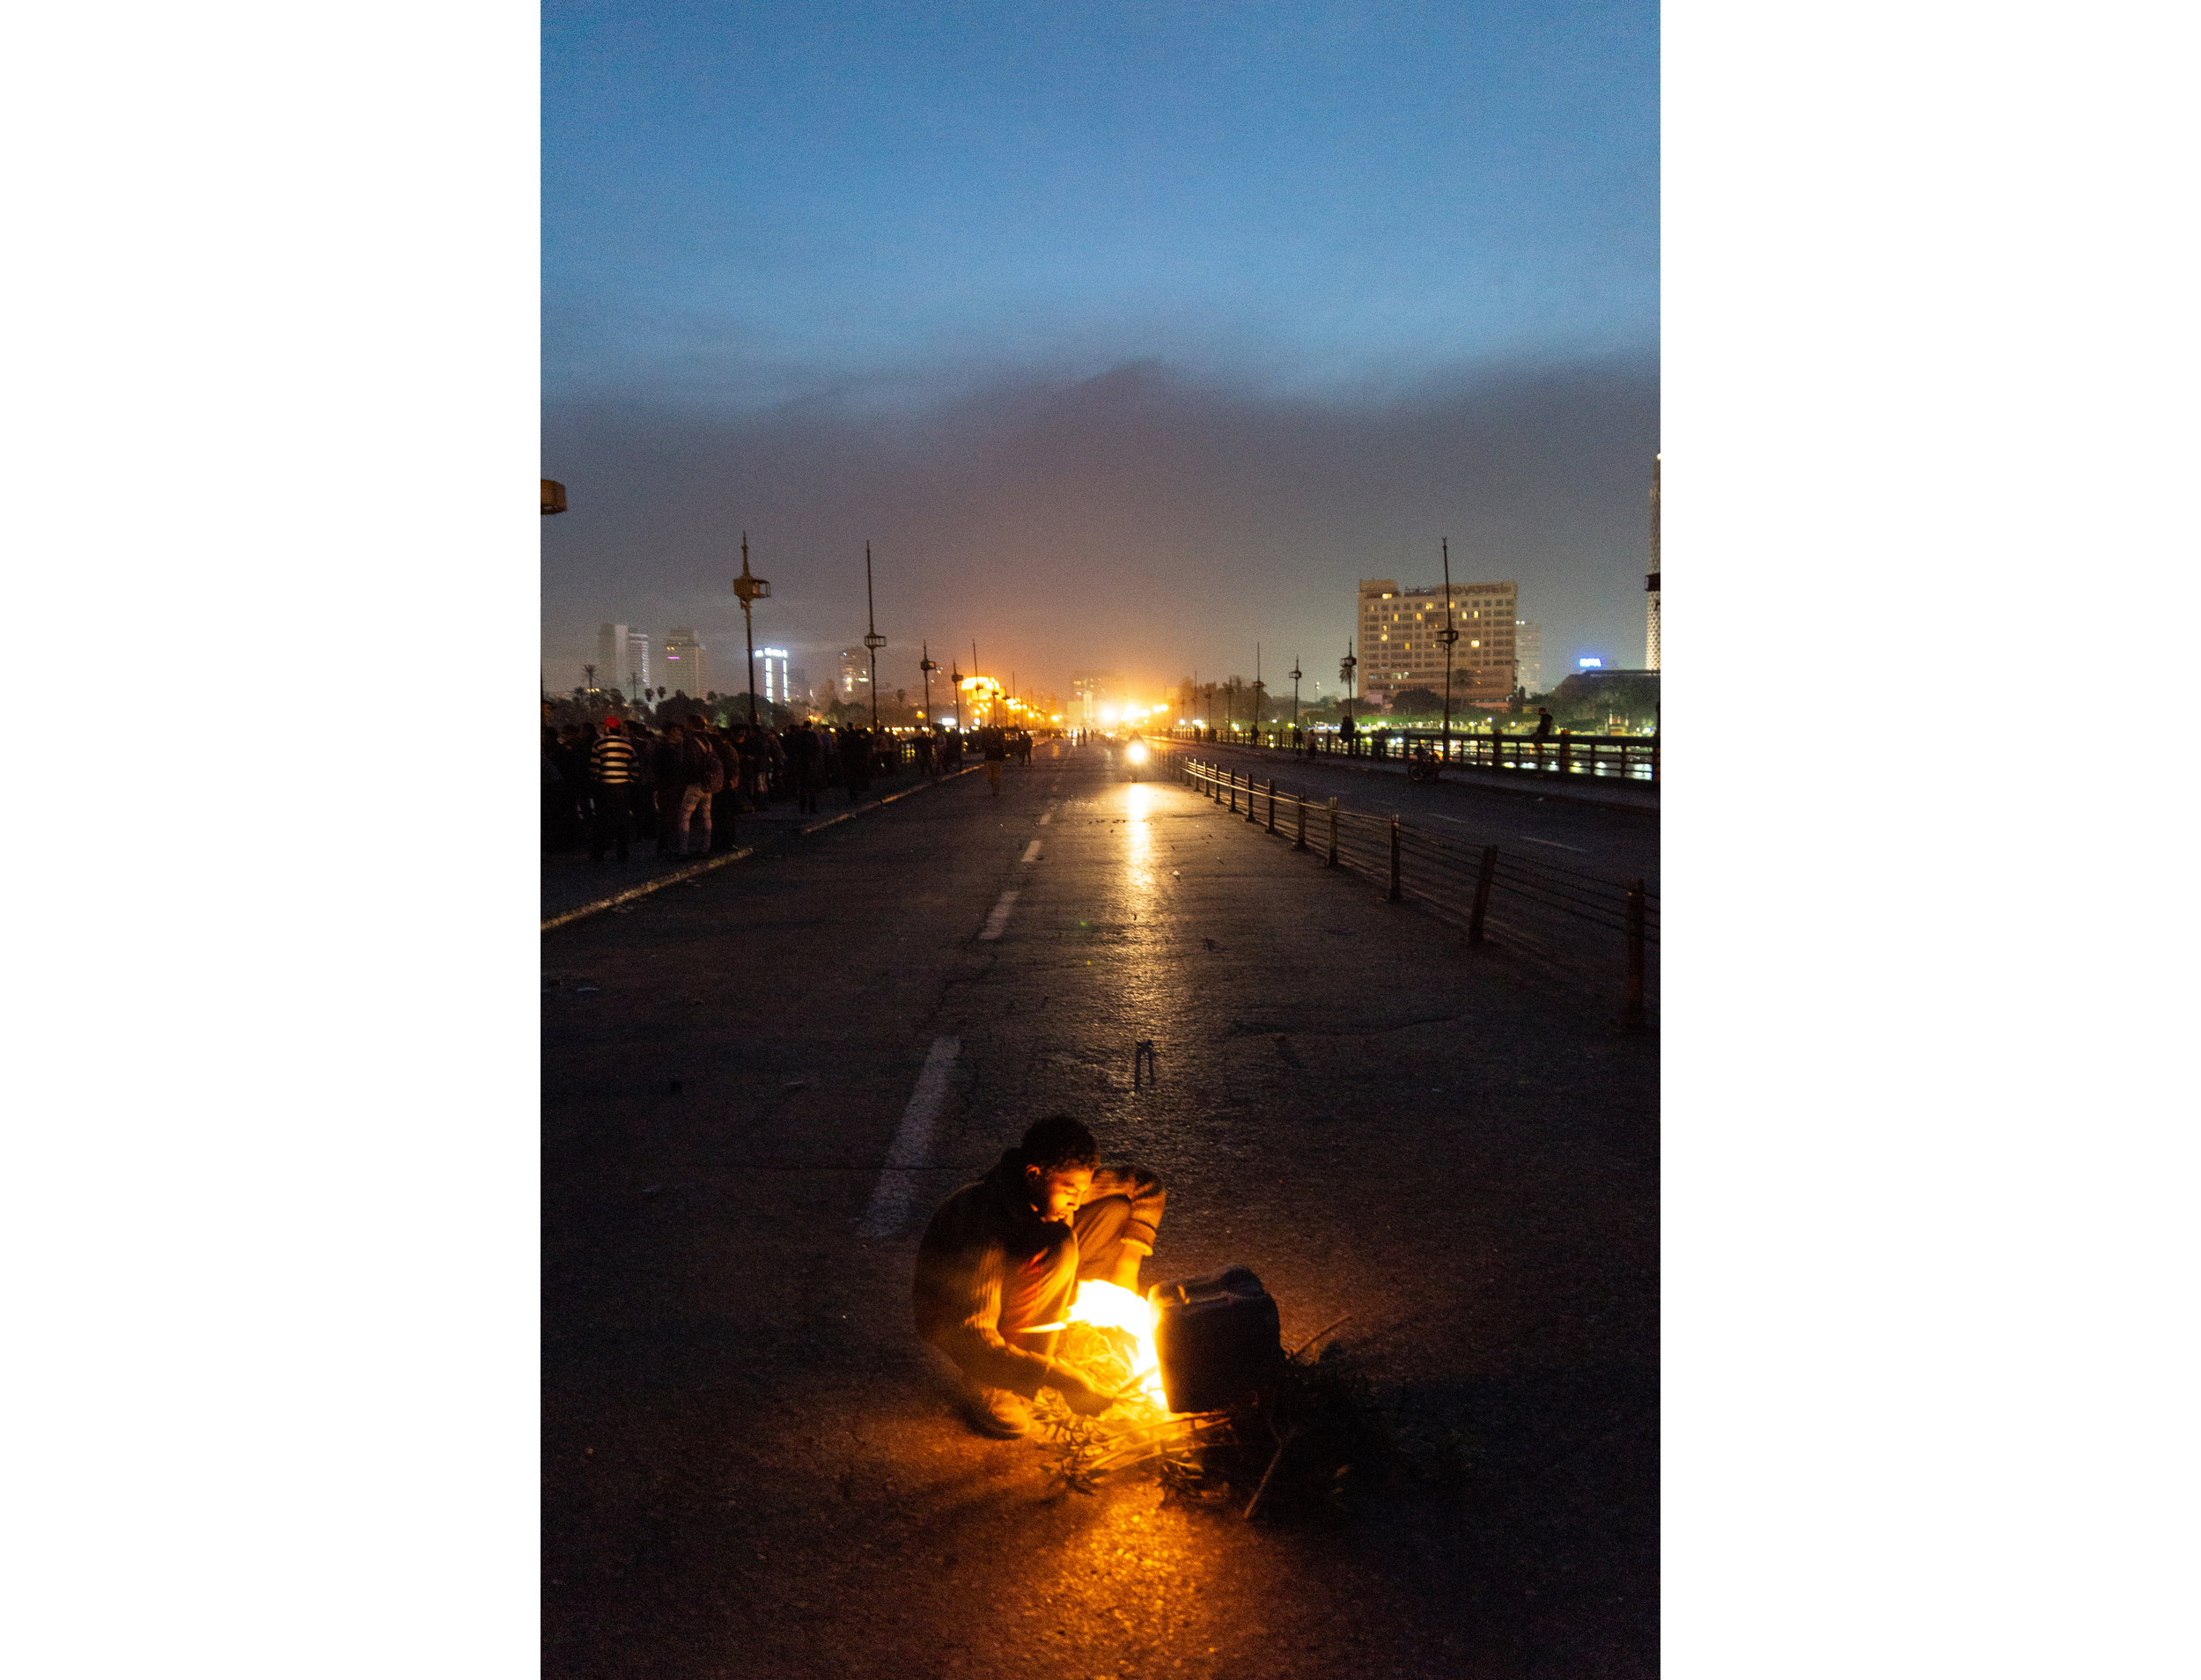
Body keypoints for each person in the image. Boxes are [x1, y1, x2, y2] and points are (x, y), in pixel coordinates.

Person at [913, 1116, 1166, 1440]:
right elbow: (972, 1338)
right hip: (962, 1321)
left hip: (1021, 1270)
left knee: (1116, 1210)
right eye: (1070, 1190)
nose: (1077, 1199)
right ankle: (992, 1383)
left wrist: (1127, 1269)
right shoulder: (984, 1229)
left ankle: (1045, 1333)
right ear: (1033, 1175)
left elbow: (1147, 1185)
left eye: (1083, 1189)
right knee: (1059, 1246)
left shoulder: (1054, 1184)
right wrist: (1060, 1378)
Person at [586, 718, 642, 862]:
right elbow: (635, 767)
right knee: (622, 820)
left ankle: (598, 854)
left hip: (605, 787)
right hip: (623, 787)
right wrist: (631, 782)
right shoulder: (628, 745)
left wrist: (595, 783)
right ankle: (622, 853)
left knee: (601, 820)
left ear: (608, 728)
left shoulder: (598, 744)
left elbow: (594, 768)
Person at [784, 718, 821, 814]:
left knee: (802, 787)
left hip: (800, 763)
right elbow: (817, 749)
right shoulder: (813, 736)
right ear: (810, 727)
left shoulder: (798, 736)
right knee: (811, 787)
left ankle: (802, 808)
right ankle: (812, 808)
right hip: (810, 763)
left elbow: (794, 749)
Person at [980, 723, 1007, 795]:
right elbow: (983, 746)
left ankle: (995, 790)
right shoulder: (987, 742)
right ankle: (995, 788)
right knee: (990, 778)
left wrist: (1001, 760)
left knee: (996, 777)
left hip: (996, 761)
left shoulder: (998, 743)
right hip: (988, 761)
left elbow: (1002, 752)